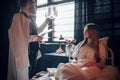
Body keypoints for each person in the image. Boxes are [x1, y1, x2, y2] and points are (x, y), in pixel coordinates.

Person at [55, 23, 120, 80]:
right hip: (79, 64)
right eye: (85, 30)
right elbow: (75, 58)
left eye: (87, 30)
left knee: (80, 74)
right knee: (65, 68)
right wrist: (74, 61)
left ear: (93, 32)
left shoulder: (100, 45)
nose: (85, 32)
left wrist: (92, 64)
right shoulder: (80, 44)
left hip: (91, 67)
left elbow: (102, 64)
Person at [7, 0, 51, 80]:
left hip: (32, 54)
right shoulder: (18, 17)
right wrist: (37, 38)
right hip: (21, 57)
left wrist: (46, 21)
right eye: (34, 4)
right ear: (29, 3)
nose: (35, 7)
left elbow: (37, 30)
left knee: (31, 76)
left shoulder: (31, 19)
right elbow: (22, 37)